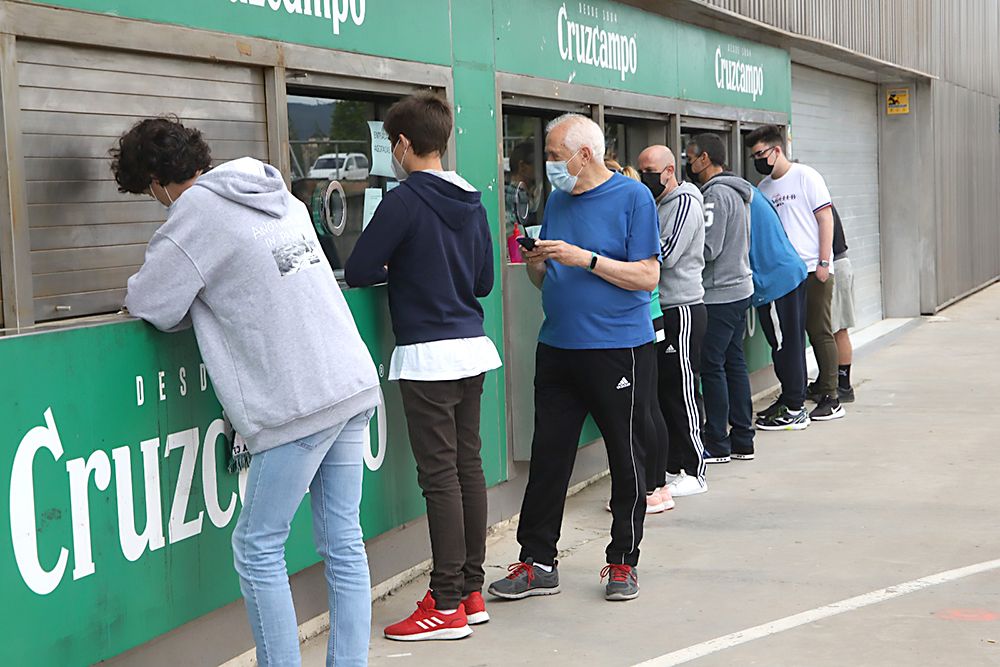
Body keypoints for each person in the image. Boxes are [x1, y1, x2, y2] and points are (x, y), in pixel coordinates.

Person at [112, 117, 380, 667]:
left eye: (148, 191)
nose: (154, 201)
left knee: (258, 547)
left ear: (159, 179)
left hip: (296, 402)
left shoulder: (196, 214)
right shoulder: (274, 191)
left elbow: (152, 302)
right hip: (349, 383)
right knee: (343, 542)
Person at [345, 92, 500, 641]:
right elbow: (482, 283)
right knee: (467, 469)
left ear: (404, 144)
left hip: (427, 357)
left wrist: (405, 267)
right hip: (472, 350)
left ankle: (446, 602)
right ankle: (471, 590)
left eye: (392, 144)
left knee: (440, 479)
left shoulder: (405, 201)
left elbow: (360, 268)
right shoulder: (472, 200)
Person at [487, 113, 660, 602]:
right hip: (558, 347)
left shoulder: (633, 197)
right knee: (548, 458)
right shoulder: (558, 200)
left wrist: (584, 257)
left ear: (585, 154)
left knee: (626, 456)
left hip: (617, 349)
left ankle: (623, 561)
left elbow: (648, 276)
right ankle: (537, 560)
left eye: (556, 156)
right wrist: (537, 264)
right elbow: (546, 280)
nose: (549, 165)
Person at [747, 125, 845, 422]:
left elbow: (825, 217)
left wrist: (824, 263)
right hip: (785, 275)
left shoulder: (806, 176)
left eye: (761, 153)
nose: (757, 160)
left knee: (818, 330)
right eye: (753, 155)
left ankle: (831, 395)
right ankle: (794, 393)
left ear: (777, 150)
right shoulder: (763, 188)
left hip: (812, 268)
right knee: (789, 339)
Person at [636, 145, 709, 496]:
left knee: (681, 389)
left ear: (669, 171)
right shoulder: (658, 204)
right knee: (664, 392)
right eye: (641, 169)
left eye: (650, 170)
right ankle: (674, 465)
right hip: (661, 309)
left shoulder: (683, 203)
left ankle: (695, 469)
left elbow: (666, 253)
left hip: (682, 307)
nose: (645, 176)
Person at [685, 133, 755, 464]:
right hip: (739, 289)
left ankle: (717, 440)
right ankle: (743, 437)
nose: (688, 162)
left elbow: (708, 247)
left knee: (711, 365)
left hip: (719, 294)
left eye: (691, 156)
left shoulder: (713, 195)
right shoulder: (738, 192)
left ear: (706, 159)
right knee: (734, 362)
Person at [742, 172, 811, 432]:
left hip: (776, 280)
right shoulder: (748, 192)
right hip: (789, 273)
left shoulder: (734, 197)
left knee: (784, 346)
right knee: (790, 343)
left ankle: (795, 409)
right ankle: (792, 399)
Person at [807, 204, 856, 403]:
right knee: (829, 328)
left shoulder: (817, 200)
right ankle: (829, 380)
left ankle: (843, 385)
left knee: (837, 329)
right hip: (837, 264)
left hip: (835, 265)